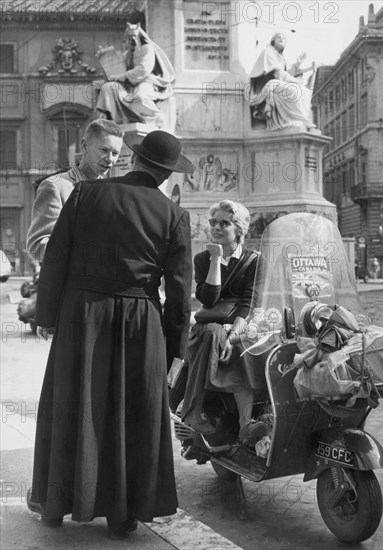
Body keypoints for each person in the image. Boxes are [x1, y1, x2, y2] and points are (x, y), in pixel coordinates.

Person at [26, 131, 194, 540]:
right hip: (140, 322)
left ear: (134, 159)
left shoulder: (84, 194)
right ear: (167, 174)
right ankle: (122, 515)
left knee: (71, 402)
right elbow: (179, 293)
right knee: (130, 413)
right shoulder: (173, 215)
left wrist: (47, 316)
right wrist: (175, 349)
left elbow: (56, 262)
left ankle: (54, 505)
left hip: (82, 315)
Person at [181, 200, 267, 446]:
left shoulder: (255, 260)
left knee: (249, 347)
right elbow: (208, 299)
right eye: (213, 223)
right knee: (211, 335)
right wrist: (216, 261)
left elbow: (249, 301)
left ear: (239, 229)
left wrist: (234, 335)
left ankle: (246, 424)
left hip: (241, 323)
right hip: (211, 323)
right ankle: (195, 411)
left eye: (224, 223)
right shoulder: (202, 259)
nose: (216, 228)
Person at [26, 119, 124, 263]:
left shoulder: (114, 192)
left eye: (115, 153)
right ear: (84, 146)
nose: (110, 159)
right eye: (104, 150)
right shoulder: (55, 186)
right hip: (71, 283)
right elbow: (37, 247)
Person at [96, 23, 175, 125]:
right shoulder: (126, 55)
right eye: (129, 37)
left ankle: (155, 117)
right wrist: (104, 60)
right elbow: (114, 73)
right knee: (108, 87)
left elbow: (144, 69)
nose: (132, 40)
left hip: (146, 81)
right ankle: (113, 120)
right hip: (128, 85)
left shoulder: (147, 48)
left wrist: (123, 76)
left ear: (139, 36)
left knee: (139, 97)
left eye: (134, 36)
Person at [245, 32, 316, 130]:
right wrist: (295, 81)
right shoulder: (268, 52)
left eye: (284, 38)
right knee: (293, 91)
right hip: (267, 85)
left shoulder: (280, 57)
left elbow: (285, 74)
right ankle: (300, 120)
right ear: (273, 41)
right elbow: (279, 74)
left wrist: (298, 64)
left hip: (276, 83)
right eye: (279, 37)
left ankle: (299, 120)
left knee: (304, 91)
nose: (282, 39)